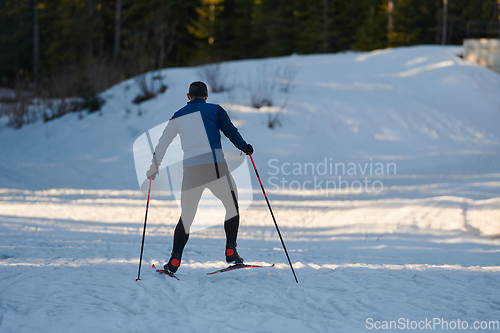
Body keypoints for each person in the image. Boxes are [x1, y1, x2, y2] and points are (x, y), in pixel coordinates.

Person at [146, 81, 253, 274]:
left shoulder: (178, 116)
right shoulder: (216, 110)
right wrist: (244, 148)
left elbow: (163, 142)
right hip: (215, 169)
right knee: (232, 207)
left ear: (188, 97)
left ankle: (174, 261)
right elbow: (231, 132)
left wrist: (154, 166)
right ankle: (231, 251)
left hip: (191, 172)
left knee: (186, 216)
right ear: (206, 96)